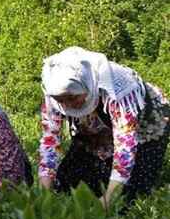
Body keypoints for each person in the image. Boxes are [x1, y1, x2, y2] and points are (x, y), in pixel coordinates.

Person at [38, 46, 170, 207]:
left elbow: (125, 147)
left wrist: (110, 197)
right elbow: (50, 141)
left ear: (86, 86)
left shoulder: (118, 89)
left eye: (72, 98)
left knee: (128, 199)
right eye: (61, 100)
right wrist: (43, 193)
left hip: (145, 126)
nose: (66, 105)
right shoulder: (54, 88)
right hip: (97, 126)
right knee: (67, 185)